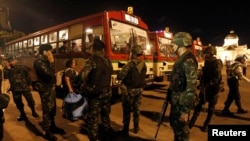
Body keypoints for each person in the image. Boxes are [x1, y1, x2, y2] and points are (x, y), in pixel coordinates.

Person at [78, 38, 113, 141]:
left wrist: (82, 86)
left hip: (95, 95)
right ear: (103, 50)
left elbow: (81, 76)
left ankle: (93, 138)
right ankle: (107, 136)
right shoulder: (108, 61)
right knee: (105, 116)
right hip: (107, 93)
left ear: (93, 49)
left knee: (93, 119)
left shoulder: (91, 61)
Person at [168, 32, 198, 141]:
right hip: (177, 101)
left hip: (182, 104)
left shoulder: (188, 61)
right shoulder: (182, 59)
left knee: (182, 132)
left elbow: (191, 88)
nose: (172, 46)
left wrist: (185, 110)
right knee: (176, 128)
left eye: (174, 44)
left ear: (180, 44)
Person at [33, 44, 65, 141]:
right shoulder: (39, 62)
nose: (52, 53)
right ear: (44, 52)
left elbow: (53, 74)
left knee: (52, 110)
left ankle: (52, 126)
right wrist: (52, 62)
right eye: (50, 51)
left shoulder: (46, 61)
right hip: (46, 90)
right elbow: (50, 74)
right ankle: (47, 131)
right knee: (47, 111)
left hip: (51, 89)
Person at [189, 46, 223, 132]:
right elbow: (204, 75)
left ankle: (206, 125)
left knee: (211, 109)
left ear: (212, 53)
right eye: (205, 53)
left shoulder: (217, 62)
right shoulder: (207, 62)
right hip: (205, 89)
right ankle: (191, 123)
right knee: (198, 106)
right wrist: (201, 83)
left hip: (213, 89)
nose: (205, 55)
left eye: (207, 53)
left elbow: (217, 77)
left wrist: (208, 85)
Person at [116, 45, 147, 137]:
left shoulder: (130, 64)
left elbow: (120, 76)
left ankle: (125, 130)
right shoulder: (143, 64)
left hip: (130, 91)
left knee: (127, 110)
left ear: (133, 54)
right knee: (137, 109)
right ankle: (136, 128)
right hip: (139, 90)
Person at [4, 55, 39, 121]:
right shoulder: (7, 69)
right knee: (18, 102)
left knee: (30, 100)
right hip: (15, 88)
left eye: (13, 61)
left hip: (24, 87)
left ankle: (33, 111)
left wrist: (30, 85)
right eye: (10, 61)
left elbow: (28, 76)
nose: (11, 62)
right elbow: (6, 77)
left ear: (16, 60)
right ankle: (22, 114)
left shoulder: (22, 67)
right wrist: (7, 69)